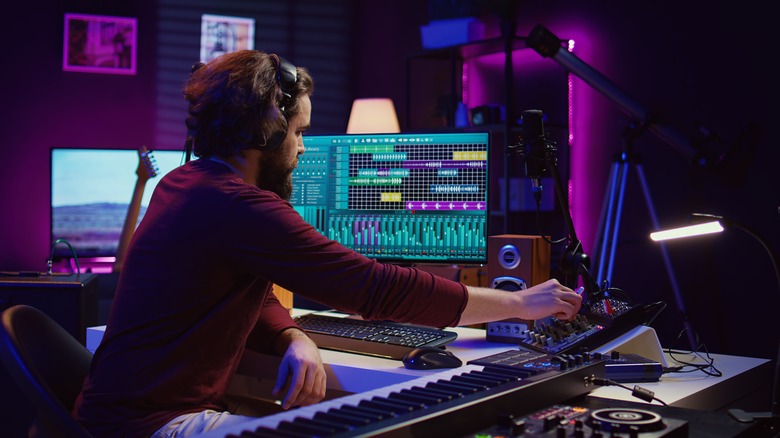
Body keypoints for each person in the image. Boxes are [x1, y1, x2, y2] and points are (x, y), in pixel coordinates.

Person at [73, 49, 582, 437]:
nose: (301, 148)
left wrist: (293, 336)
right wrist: (518, 302)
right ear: (268, 131)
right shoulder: (240, 206)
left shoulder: (184, 184)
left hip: (112, 414)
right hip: (152, 426)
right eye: (299, 132)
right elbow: (374, 289)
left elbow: (250, 291)